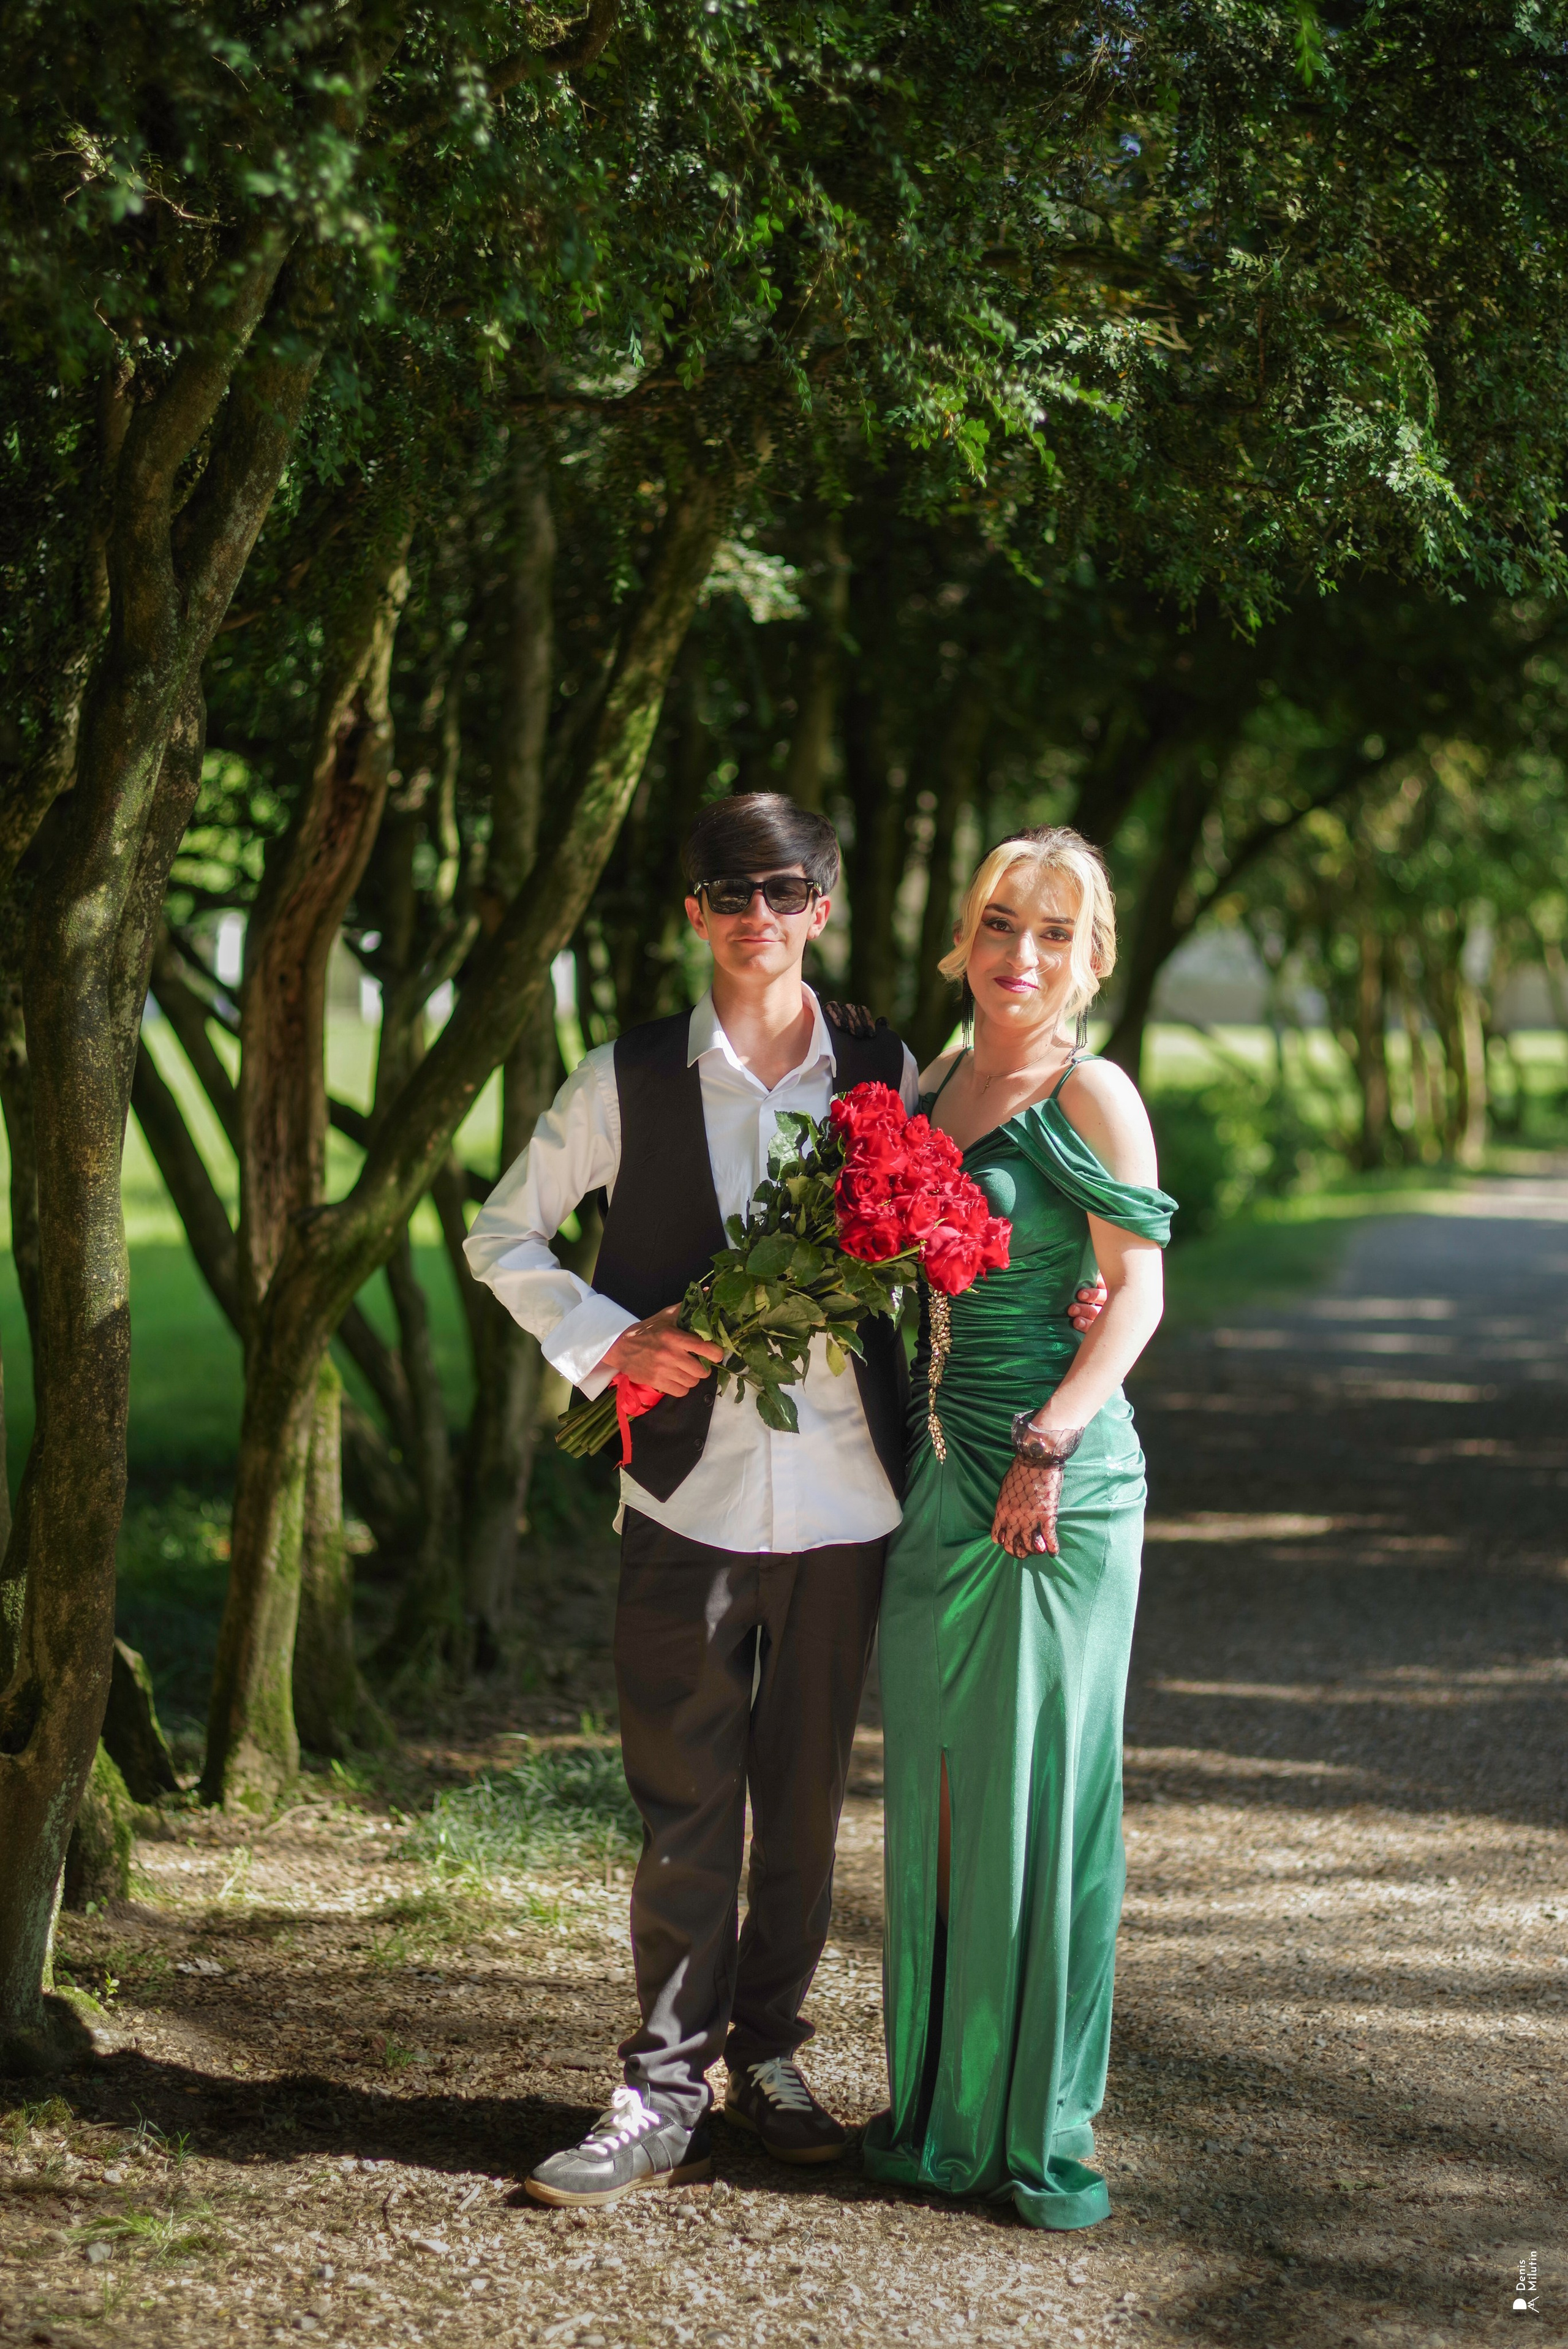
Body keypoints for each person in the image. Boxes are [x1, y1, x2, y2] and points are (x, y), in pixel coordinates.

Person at [862, 825, 1175, 2232]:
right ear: (964, 937)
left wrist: (1046, 1442)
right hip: (936, 1470)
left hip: (1054, 1481)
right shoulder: (925, 1083)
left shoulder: (1089, 1090)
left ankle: (1030, 2123)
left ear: (1091, 954)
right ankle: (938, 2103)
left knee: (1037, 1790)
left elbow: (1139, 1295)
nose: (1020, 956)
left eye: (1052, 932)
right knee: (935, 1788)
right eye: (1000, 924)